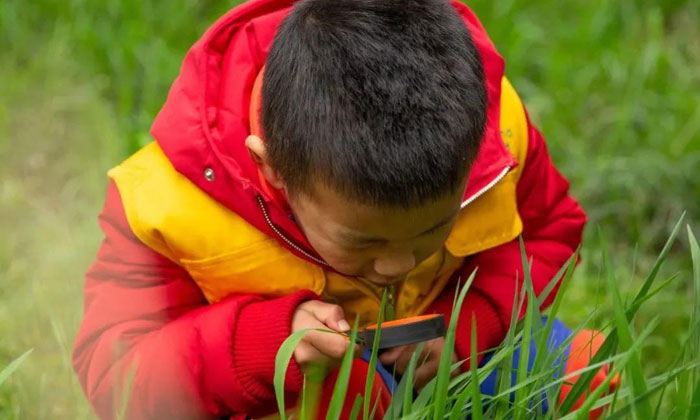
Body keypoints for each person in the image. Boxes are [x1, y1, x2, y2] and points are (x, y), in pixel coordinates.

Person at [71, 0, 601, 418]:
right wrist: (264, 345)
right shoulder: (169, 205)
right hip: (289, 394)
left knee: (583, 373)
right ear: (272, 167)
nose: (399, 264)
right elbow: (111, 376)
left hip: (446, 354)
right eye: (363, 240)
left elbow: (551, 230)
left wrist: (468, 328)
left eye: (434, 228)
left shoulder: (489, 127)